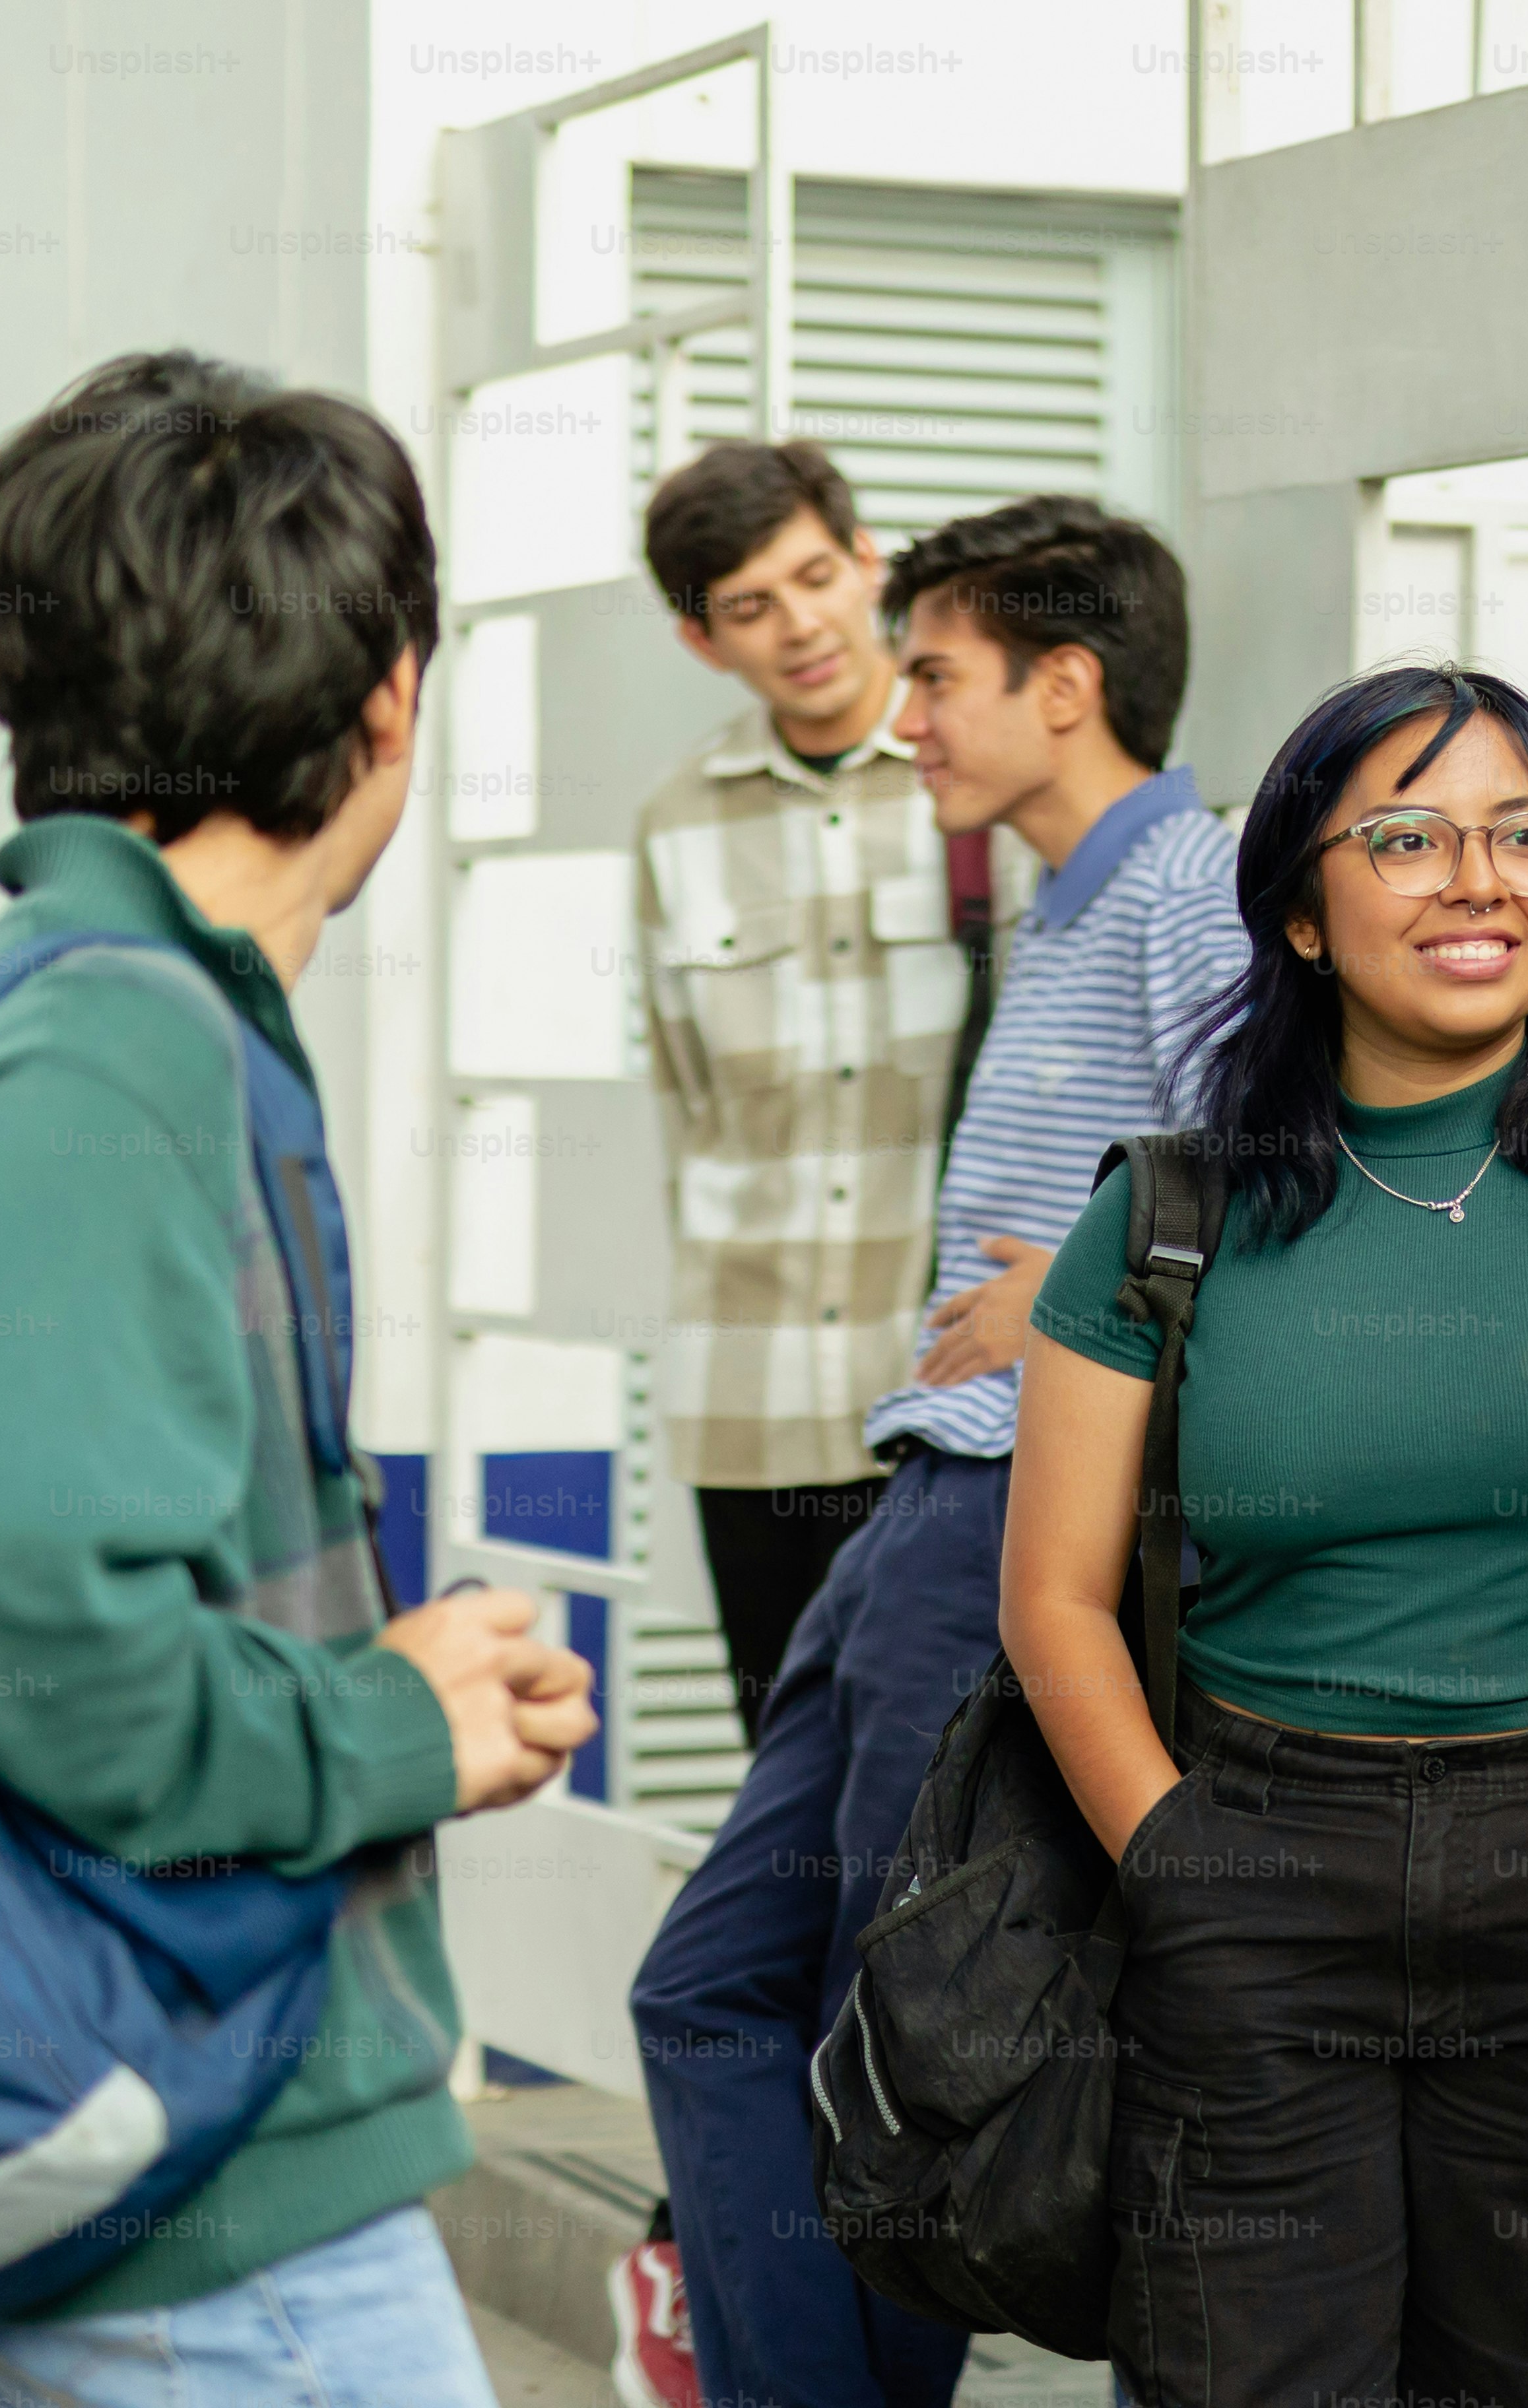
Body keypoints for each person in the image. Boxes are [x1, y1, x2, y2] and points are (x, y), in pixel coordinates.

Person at [0, 353, 597, 2407]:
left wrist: (387, 1682)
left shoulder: (106, 1004)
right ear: (390, 700)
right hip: (224, 2203)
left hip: (156, 2159)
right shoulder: (122, 1041)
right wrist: (382, 1731)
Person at [1004, 665, 1528, 2407]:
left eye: (1526, 834)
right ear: (1303, 912)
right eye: (1408, 835)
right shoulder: (1167, 1216)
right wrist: (1177, 1862)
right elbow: (1057, 1603)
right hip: (1251, 1856)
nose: (1482, 879)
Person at [628, 496, 1244, 2408]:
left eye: (944, 676)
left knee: (879, 2039)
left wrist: (1078, 1279)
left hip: (1009, 1514)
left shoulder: (1190, 883)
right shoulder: (1061, 899)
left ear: (1067, 691)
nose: (908, 712)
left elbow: (1292, 1181)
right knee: (710, 1997)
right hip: (920, 1506)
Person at [632, 439, 987, 1749]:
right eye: (750, 607)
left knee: (942, 1801)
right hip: (754, 1397)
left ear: (869, 561)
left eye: (815, 576)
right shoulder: (676, 823)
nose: (800, 627)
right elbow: (685, 1104)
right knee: (786, 1794)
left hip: (949, 1391)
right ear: (700, 639)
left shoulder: (979, 784)